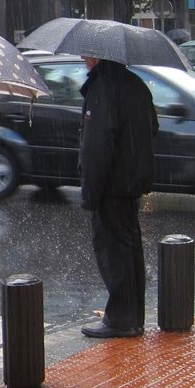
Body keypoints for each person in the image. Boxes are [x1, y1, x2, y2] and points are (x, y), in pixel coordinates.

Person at [78, 56, 159, 339]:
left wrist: (90, 191)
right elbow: (153, 127)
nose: (82, 57)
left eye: (86, 52)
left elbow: (97, 146)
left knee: (114, 252)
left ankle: (121, 319)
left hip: (111, 185)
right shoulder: (134, 84)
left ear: (100, 55)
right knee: (129, 248)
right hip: (130, 182)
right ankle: (132, 316)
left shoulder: (103, 88)